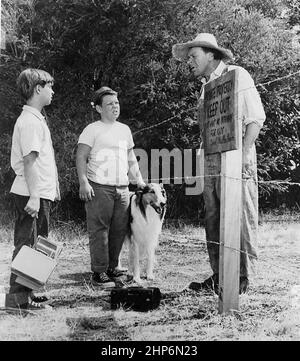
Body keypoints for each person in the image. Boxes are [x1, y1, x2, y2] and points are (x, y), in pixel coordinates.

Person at [172, 33, 266, 294]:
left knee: (239, 216)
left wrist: (241, 158)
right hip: (212, 163)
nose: (190, 61)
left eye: (194, 56)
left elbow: (255, 120)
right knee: (213, 219)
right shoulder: (205, 88)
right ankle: (220, 275)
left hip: (236, 160)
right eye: (189, 57)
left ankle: (241, 280)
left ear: (211, 54)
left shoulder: (238, 75)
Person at [76, 86, 145, 288]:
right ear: (98, 108)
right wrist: (83, 182)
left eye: (116, 103)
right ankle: (99, 272)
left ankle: (113, 267)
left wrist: (138, 180)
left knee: (119, 230)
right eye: (109, 104)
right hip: (98, 187)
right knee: (99, 230)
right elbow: (81, 156)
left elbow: (131, 158)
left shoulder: (124, 130)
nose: (115, 107)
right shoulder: (92, 129)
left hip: (122, 188)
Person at [9, 68, 60, 309]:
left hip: (38, 193)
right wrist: (35, 197)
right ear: (38, 89)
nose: (52, 91)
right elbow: (29, 162)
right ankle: (18, 300)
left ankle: (28, 294)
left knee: (38, 244)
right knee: (27, 245)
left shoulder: (36, 119)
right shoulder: (29, 121)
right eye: (49, 86)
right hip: (30, 193)